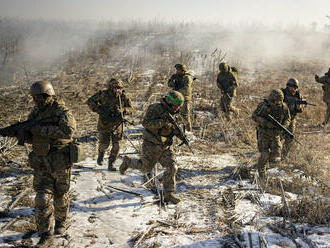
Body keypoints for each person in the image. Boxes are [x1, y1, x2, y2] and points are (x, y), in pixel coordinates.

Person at [8, 81, 76, 247]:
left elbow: (69, 131)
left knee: (60, 197)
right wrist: (21, 133)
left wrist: (39, 130)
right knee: (41, 199)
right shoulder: (35, 114)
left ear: (48, 95)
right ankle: (45, 234)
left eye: (39, 97)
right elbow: (33, 136)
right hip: (41, 163)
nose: (36, 100)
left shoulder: (62, 112)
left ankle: (61, 222)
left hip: (60, 162)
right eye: (34, 97)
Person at [119, 90, 185, 204]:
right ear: (169, 102)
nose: (177, 108)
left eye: (179, 106)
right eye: (175, 106)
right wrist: (163, 122)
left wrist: (181, 135)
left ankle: (168, 194)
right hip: (151, 144)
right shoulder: (155, 108)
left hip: (166, 146)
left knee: (172, 167)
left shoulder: (176, 113)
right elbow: (146, 124)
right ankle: (128, 162)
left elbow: (175, 127)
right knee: (145, 169)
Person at [87, 78, 133, 171]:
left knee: (117, 146)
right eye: (115, 88)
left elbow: (131, 109)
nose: (117, 90)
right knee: (104, 144)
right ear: (110, 87)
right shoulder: (103, 94)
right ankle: (101, 154)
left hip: (117, 125)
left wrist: (123, 110)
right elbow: (90, 101)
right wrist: (100, 110)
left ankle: (111, 163)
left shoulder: (123, 97)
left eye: (119, 88)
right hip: (105, 124)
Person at [252, 89, 290, 178]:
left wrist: (284, 126)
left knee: (276, 154)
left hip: (275, 134)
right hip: (263, 133)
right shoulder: (263, 106)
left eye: (280, 100)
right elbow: (254, 116)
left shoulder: (284, 107)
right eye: (276, 100)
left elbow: (288, 119)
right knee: (264, 154)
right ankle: (261, 173)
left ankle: (265, 164)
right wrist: (264, 122)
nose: (278, 102)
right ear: (272, 99)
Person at [281, 78, 303, 158]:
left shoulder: (298, 95)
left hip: (292, 119)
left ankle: (283, 156)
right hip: (281, 119)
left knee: (290, 137)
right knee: (278, 137)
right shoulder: (282, 93)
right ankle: (274, 155)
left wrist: (299, 107)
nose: (292, 88)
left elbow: (300, 110)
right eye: (290, 86)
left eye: (294, 87)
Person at [167, 64, 193, 131]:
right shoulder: (176, 76)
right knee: (175, 115)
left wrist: (176, 93)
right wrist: (172, 79)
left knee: (185, 115)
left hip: (185, 99)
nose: (177, 71)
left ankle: (188, 131)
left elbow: (186, 89)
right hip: (176, 99)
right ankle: (177, 130)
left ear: (183, 70)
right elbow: (169, 85)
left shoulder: (187, 77)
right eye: (177, 70)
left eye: (178, 70)